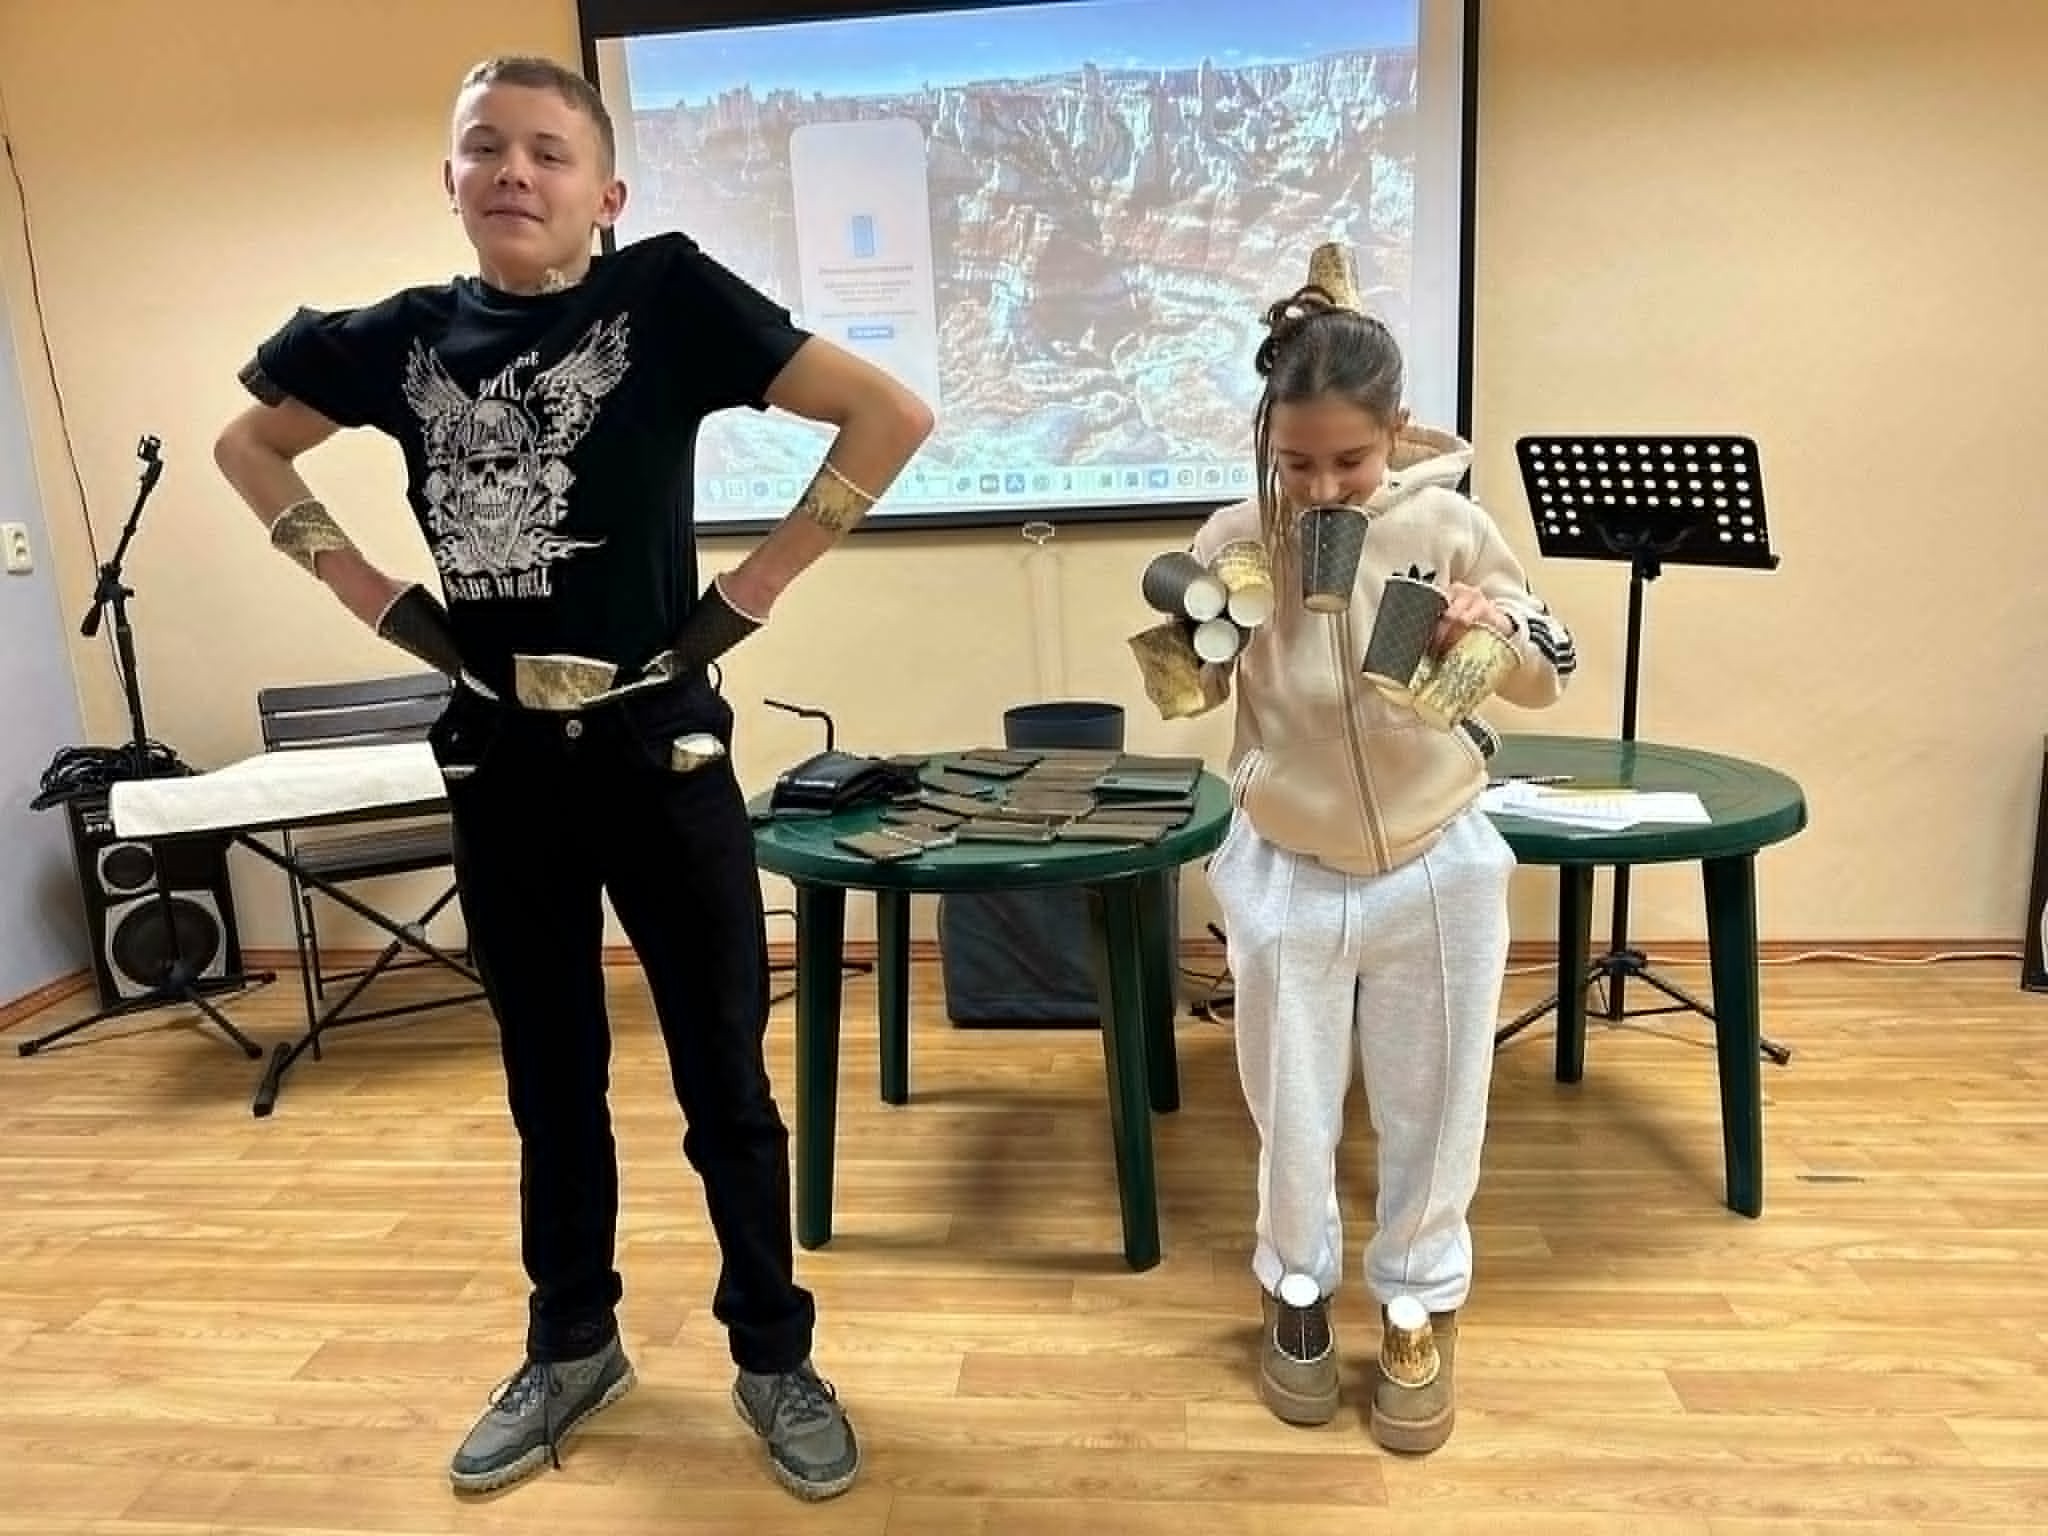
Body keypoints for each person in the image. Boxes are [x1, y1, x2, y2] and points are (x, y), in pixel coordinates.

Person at [212, 55, 934, 1500]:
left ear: (603, 193)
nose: (514, 174)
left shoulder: (663, 300)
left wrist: (748, 600)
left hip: (659, 753)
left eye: (548, 152)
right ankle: (572, 1343)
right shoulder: (398, 338)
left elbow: (889, 415)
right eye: (486, 148)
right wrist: (380, 603)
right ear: (451, 180)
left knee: (724, 1077)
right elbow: (248, 444)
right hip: (499, 766)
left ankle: (772, 1354)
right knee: (551, 1082)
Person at [1181, 243, 1576, 1453]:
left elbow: (1543, 677)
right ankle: (1294, 1286)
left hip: (1436, 859)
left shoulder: (1453, 526)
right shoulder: (1237, 529)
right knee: (1289, 1104)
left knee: (1435, 1094)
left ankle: (1415, 1296)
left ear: (1394, 430)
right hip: (1286, 861)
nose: (1320, 486)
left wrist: (1491, 624)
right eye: (1295, 462)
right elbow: (1192, 681)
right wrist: (1198, 620)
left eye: (1347, 460)